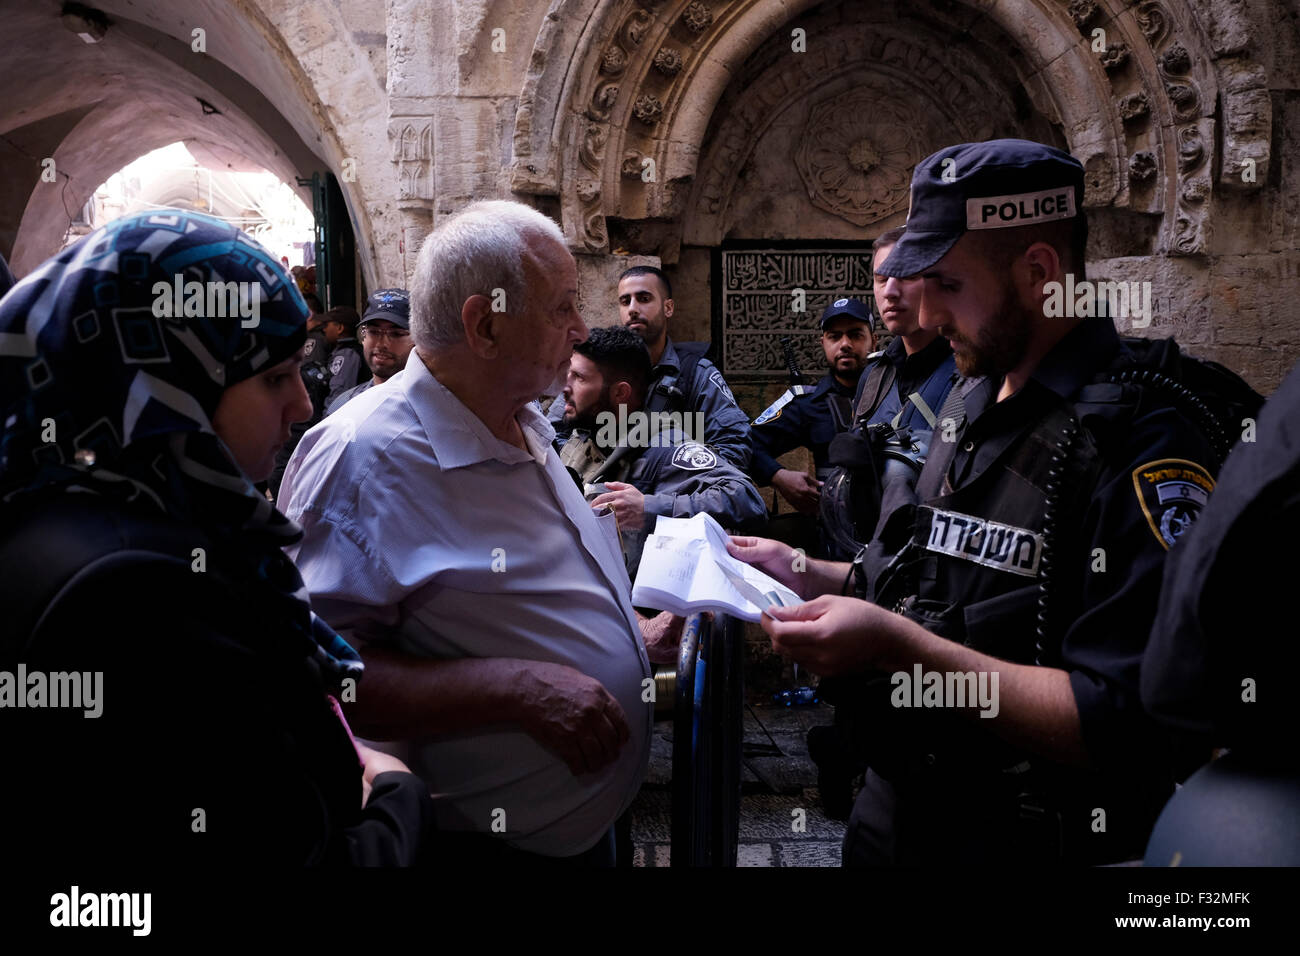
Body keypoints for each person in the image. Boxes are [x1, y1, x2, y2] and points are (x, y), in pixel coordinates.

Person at [727, 139, 1219, 866]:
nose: (922, 307)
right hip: (897, 812)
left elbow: (1122, 717)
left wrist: (900, 650)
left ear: (1040, 273)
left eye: (949, 285)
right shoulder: (970, 392)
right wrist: (805, 570)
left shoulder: (1143, 435)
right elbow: (923, 576)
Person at [0, 208, 434, 866]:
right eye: (273, 379)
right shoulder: (141, 591)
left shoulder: (71, 516)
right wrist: (397, 789)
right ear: (171, 385)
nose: (304, 406)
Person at [280, 200, 680, 864]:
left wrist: (628, 634)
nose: (582, 329)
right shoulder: (361, 457)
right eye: (561, 309)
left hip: (586, 828)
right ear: (486, 326)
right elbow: (327, 678)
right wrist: (514, 690)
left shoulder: (521, 417)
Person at [558, 325, 765, 573]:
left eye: (579, 378)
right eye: (567, 374)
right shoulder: (582, 437)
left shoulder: (663, 445)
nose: (564, 387)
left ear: (620, 393)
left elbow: (747, 500)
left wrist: (649, 508)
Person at [548, 265, 752, 468]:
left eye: (644, 299)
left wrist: (667, 477)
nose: (633, 309)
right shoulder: (596, 366)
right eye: (625, 301)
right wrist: (584, 469)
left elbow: (734, 447)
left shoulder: (696, 374)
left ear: (668, 307)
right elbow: (550, 434)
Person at [749, 296, 876, 516]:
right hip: (837, 532)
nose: (845, 344)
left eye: (855, 335)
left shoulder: (897, 393)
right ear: (823, 343)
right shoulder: (809, 404)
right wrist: (779, 477)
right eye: (834, 336)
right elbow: (745, 443)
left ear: (873, 341)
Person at [326, 288, 415, 415]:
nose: (382, 344)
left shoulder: (432, 408)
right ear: (363, 336)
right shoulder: (344, 406)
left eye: (396, 334)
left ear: (416, 339)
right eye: (373, 332)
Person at [321, 304, 368, 408]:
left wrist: (326, 420)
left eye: (326, 325)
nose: (324, 330)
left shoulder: (346, 354)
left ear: (339, 328)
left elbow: (338, 397)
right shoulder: (346, 351)